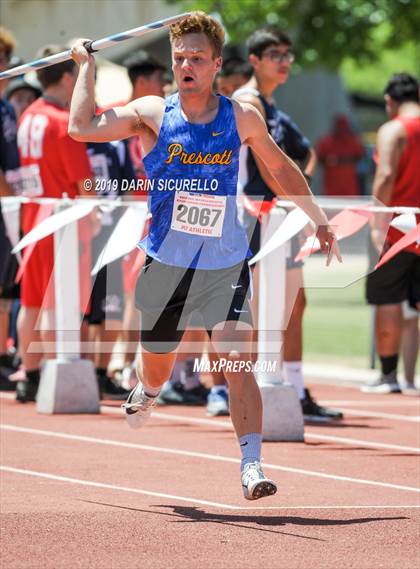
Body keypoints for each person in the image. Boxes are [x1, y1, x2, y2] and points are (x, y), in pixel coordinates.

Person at [69, 11, 340, 500]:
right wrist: (86, 67)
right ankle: (150, 392)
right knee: (157, 365)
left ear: (217, 64)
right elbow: (81, 127)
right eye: (179, 58)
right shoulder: (152, 112)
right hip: (167, 262)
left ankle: (252, 464)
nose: (186, 65)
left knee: (237, 364)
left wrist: (318, 218)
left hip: (225, 262)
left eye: (197, 57)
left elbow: (281, 169)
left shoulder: (240, 116)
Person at [234, 27, 343, 421]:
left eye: (288, 54)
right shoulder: (247, 103)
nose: (285, 61)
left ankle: (296, 391)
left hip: (281, 213)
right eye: (275, 54)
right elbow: (270, 164)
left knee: (295, 302)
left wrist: (303, 185)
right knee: (262, 305)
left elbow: (305, 153)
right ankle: (252, 388)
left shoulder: (274, 107)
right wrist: (301, 203)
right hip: (255, 216)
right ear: (255, 60)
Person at [15, 44, 94, 403]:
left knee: (31, 302)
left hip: (33, 218)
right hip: (62, 220)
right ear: (67, 77)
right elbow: (84, 180)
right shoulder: (63, 122)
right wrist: (94, 213)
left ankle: (28, 377)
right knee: (56, 302)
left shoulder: (28, 114)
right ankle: (51, 376)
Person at [362, 73, 419, 394]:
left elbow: (385, 174)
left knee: (387, 299)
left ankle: (388, 375)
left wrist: (377, 221)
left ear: (389, 102)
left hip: (399, 226)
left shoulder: (393, 129)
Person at [0, 27, 21, 390]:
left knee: (5, 290)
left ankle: (3, 356)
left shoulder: (6, 107)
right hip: (6, 204)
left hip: (9, 204)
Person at [317, 114, 365, 197]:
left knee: (350, 206)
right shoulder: (326, 141)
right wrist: (329, 161)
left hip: (349, 184)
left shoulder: (353, 140)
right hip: (332, 184)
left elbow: (360, 156)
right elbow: (319, 159)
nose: (342, 130)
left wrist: (341, 160)